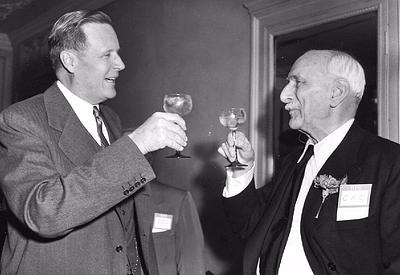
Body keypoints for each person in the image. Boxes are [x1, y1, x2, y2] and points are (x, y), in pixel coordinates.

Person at [0, 10, 204, 275]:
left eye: (117, 53)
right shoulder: (21, 120)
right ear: (70, 61)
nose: (120, 64)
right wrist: (136, 145)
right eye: (107, 55)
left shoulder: (110, 118)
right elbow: (44, 212)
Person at [219, 50, 400, 274]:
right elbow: (250, 225)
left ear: (336, 92)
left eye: (298, 83)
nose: (284, 95)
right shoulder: (294, 160)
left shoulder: (390, 163)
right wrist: (241, 170)